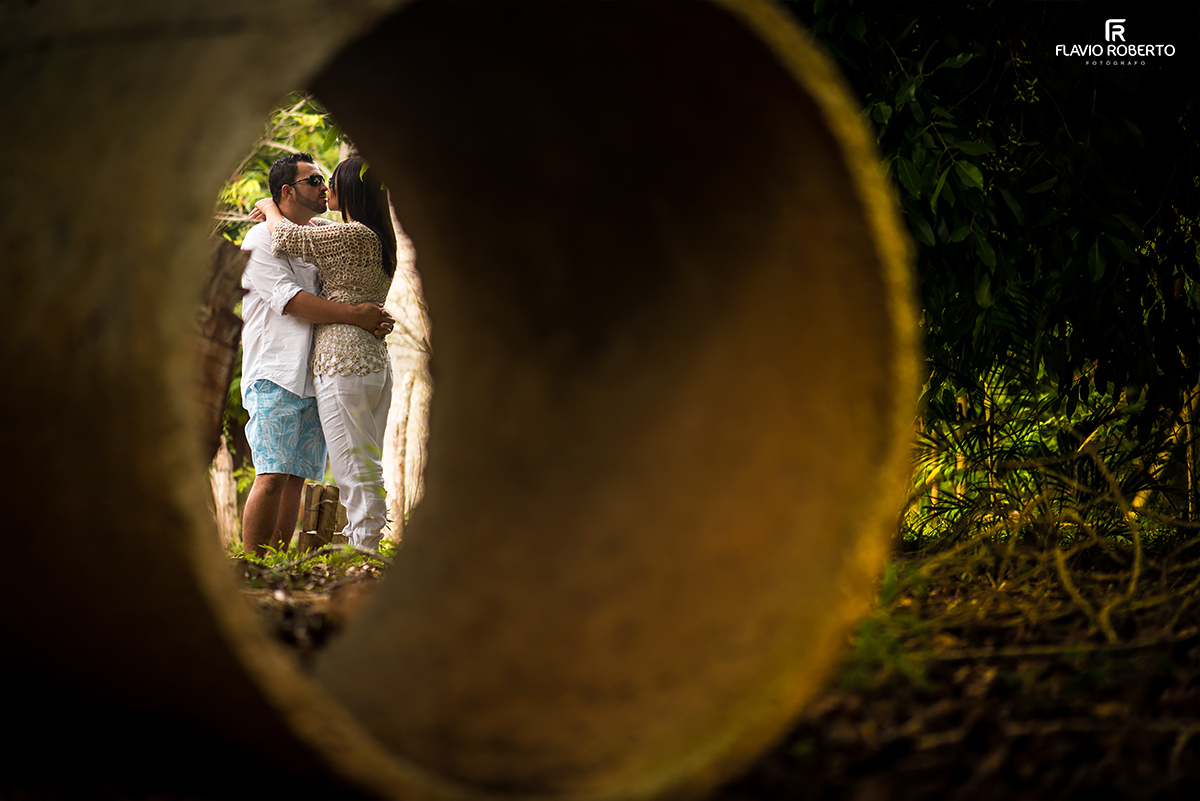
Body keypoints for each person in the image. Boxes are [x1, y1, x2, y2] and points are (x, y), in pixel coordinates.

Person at [240, 153, 394, 556]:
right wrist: (360, 317)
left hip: (318, 375)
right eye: (314, 180)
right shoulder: (259, 239)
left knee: (296, 481)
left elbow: (348, 281)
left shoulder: (325, 235)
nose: (324, 186)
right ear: (288, 190)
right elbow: (291, 301)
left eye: (327, 180)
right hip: (275, 373)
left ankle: (276, 563)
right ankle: (253, 565)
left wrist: (370, 315)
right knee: (271, 476)